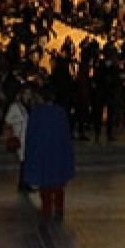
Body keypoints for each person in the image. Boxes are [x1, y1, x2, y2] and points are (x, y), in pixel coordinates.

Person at [22, 89, 76, 221]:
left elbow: (31, 136)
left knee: (45, 183)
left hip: (42, 152)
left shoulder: (36, 113)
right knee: (58, 183)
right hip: (57, 152)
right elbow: (66, 136)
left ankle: (46, 209)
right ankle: (59, 209)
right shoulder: (60, 113)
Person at [5, 87, 36, 191]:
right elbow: (7, 119)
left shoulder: (28, 106)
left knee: (26, 162)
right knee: (24, 161)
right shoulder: (15, 106)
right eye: (26, 93)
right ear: (21, 94)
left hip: (28, 137)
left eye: (29, 93)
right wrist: (20, 120)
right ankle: (23, 184)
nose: (28, 96)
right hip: (20, 136)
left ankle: (24, 184)